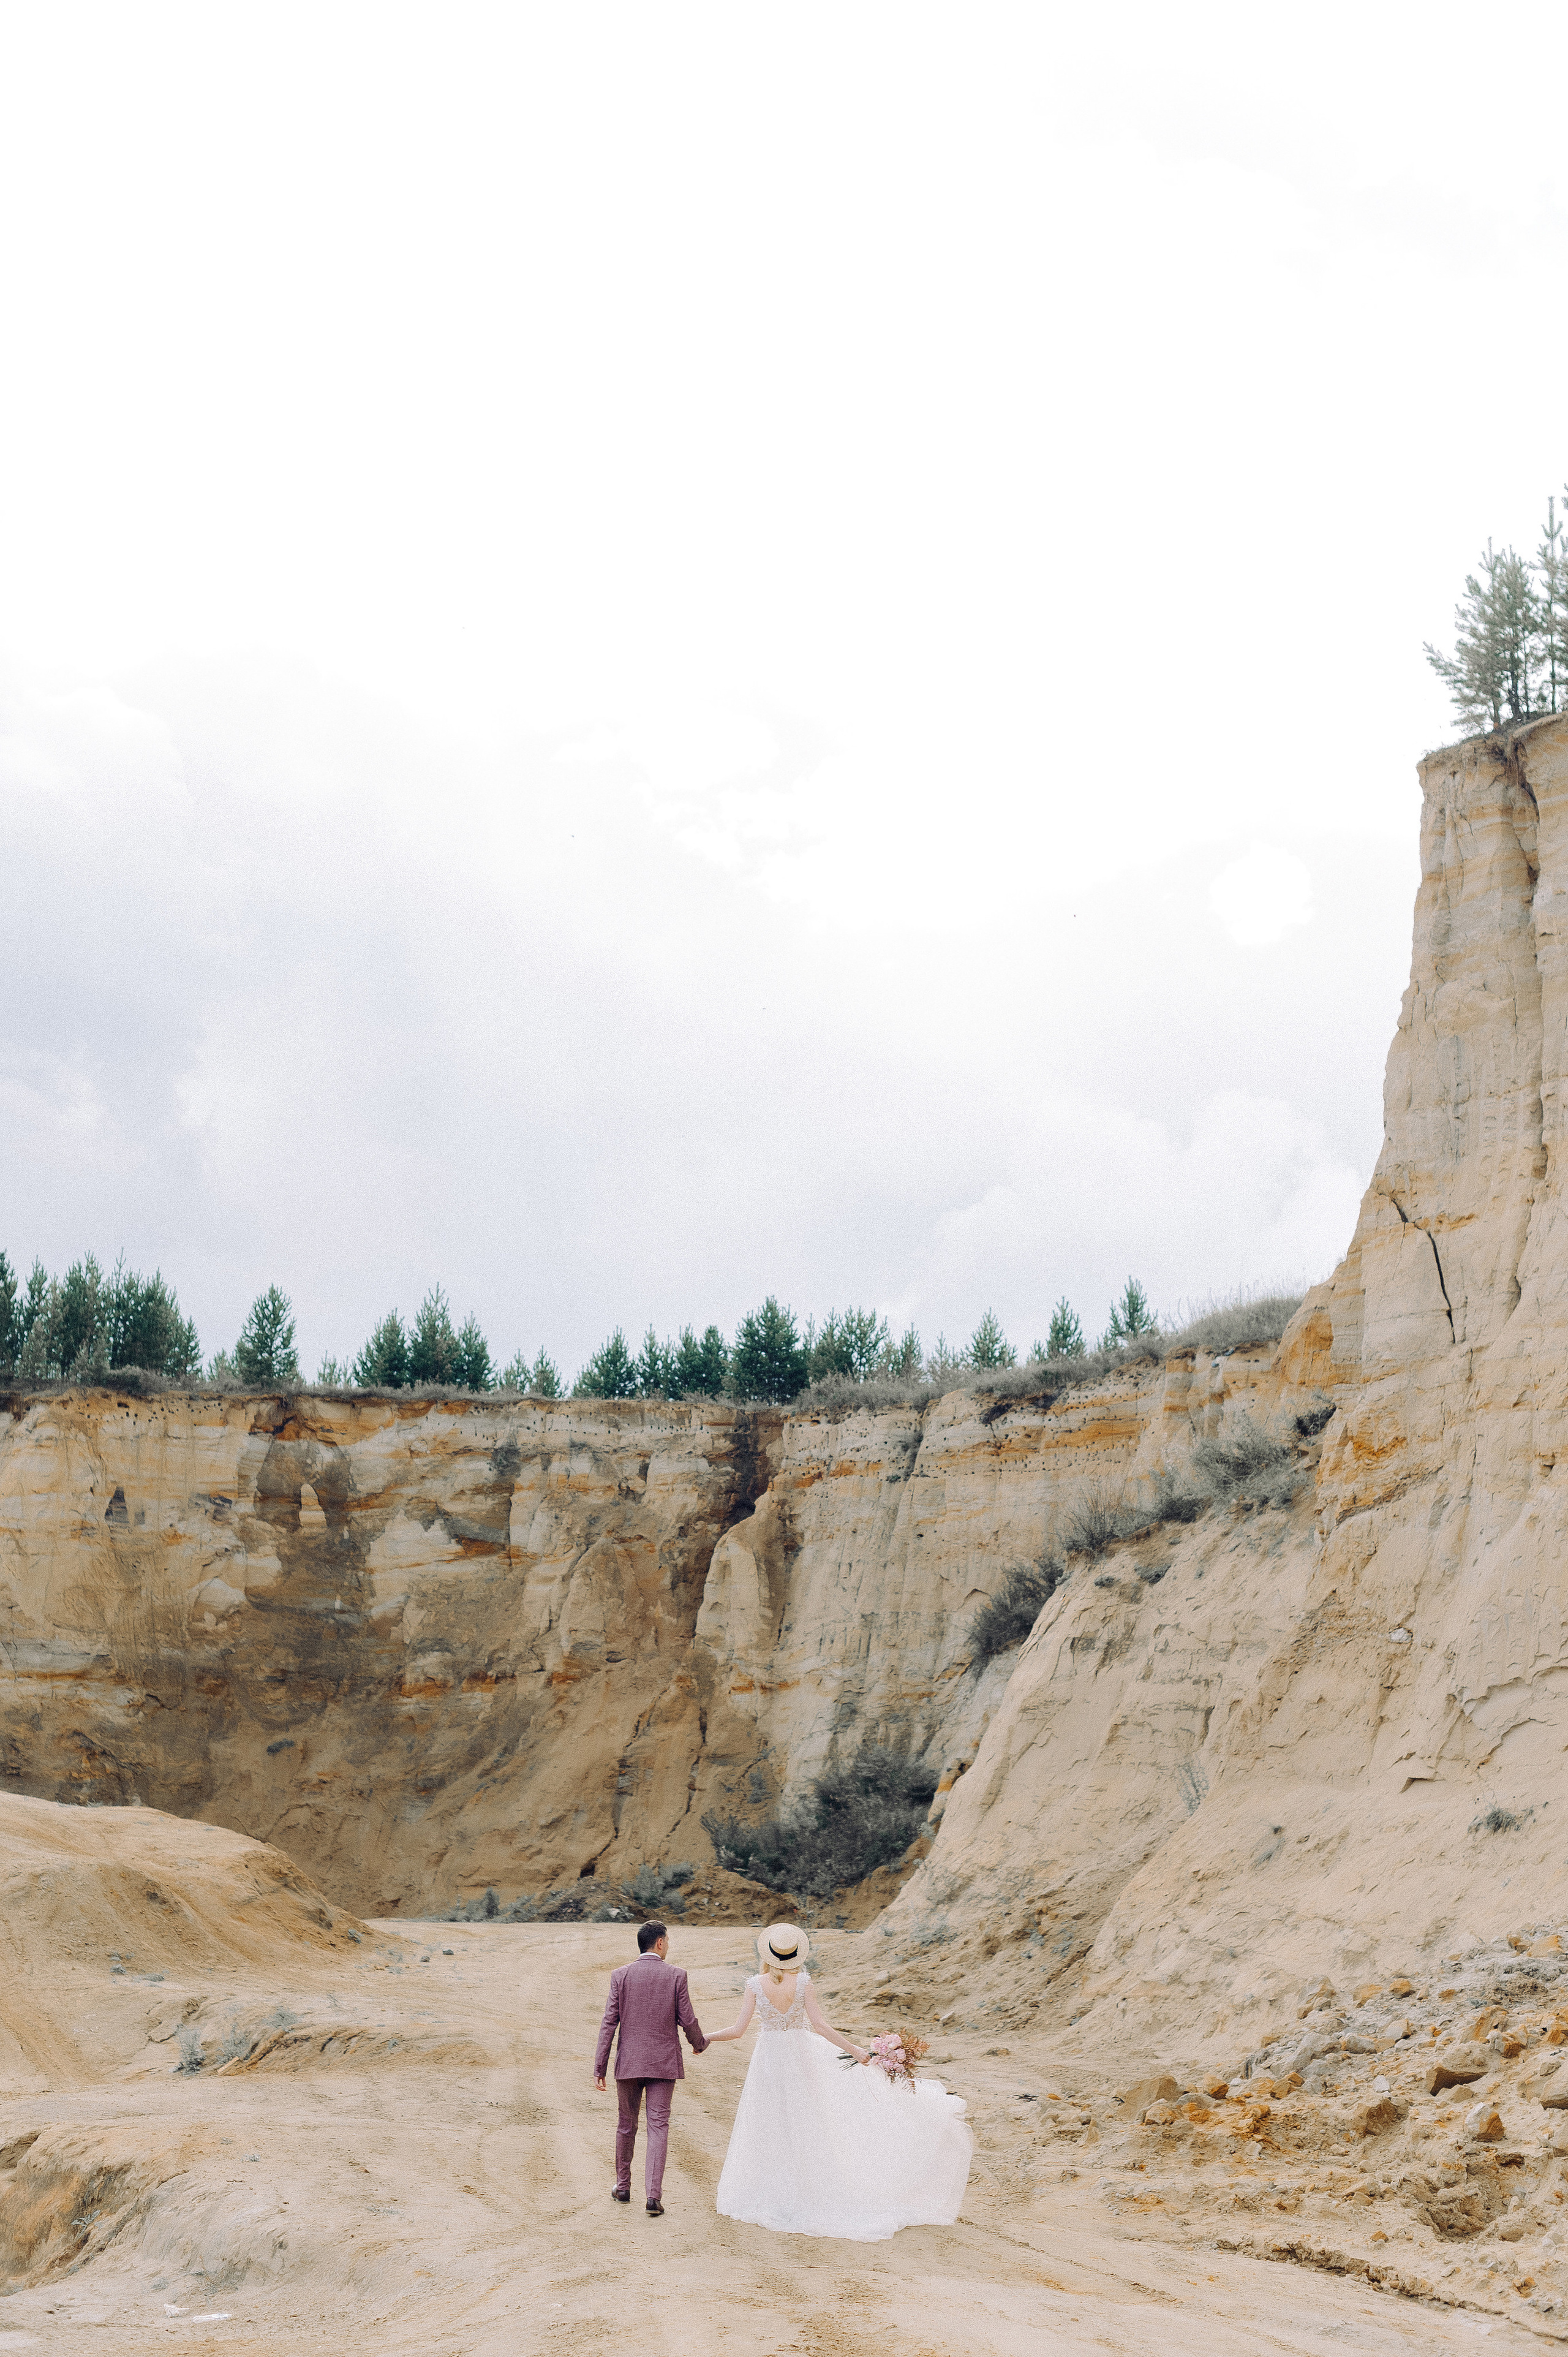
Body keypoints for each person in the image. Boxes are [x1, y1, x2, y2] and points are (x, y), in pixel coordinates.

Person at [705, 1921, 973, 2241]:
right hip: (799, 2056)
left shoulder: (755, 1985)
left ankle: (772, 2191)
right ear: (795, 1955)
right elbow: (820, 2026)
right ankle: (810, 2189)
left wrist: (704, 2038)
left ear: (768, 1952)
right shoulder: (803, 1982)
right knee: (808, 2123)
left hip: (769, 2060)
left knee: (769, 2124)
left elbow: (737, 2031)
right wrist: (856, 2051)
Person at [594, 1918, 707, 2216]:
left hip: (629, 2062)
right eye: (667, 1941)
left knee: (626, 2125)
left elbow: (609, 2022)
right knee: (658, 2126)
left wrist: (600, 2066)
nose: (668, 1946)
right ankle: (653, 2197)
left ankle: (623, 2187)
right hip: (663, 2063)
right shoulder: (677, 1975)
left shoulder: (621, 1975)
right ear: (659, 1942)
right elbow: (688, 2018)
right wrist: (699, 2044)